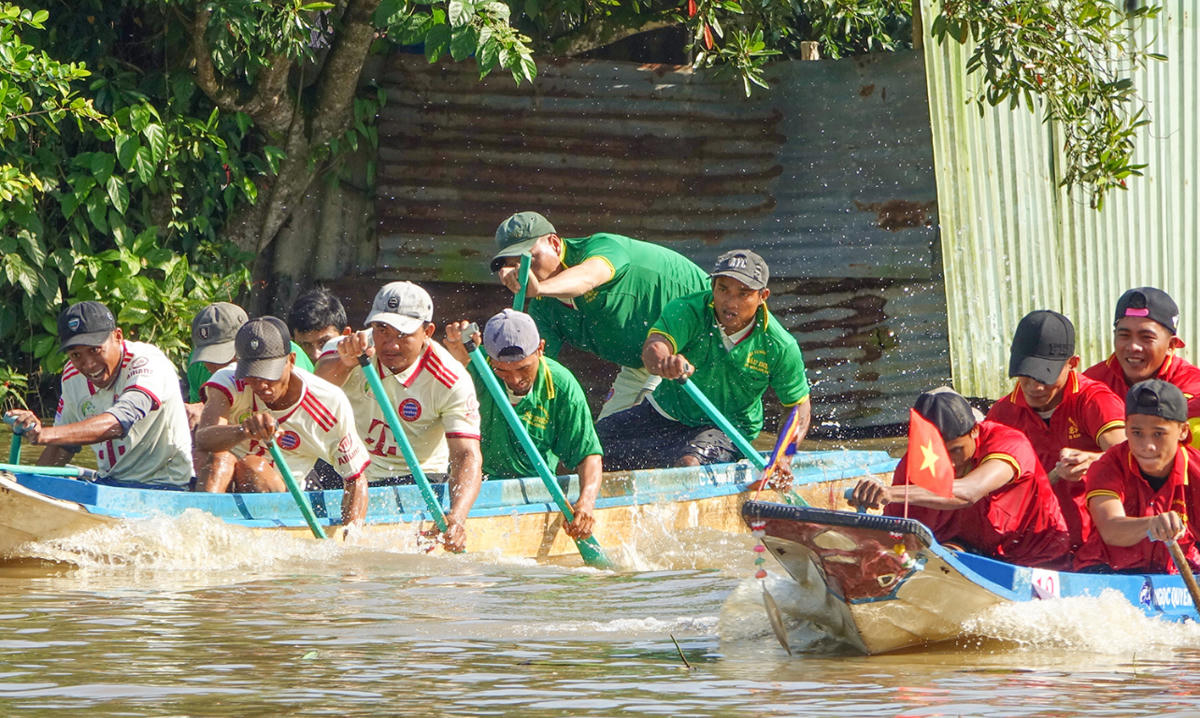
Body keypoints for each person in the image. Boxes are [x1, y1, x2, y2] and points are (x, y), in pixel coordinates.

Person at [596, 250, 810, 471]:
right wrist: (665, 362)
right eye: (723, 289)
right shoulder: (687, 309)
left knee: (689, 465)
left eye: (743, 293)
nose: (730, 302)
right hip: (664, 413)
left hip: (727, 429)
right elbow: (654, 347)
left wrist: (784, 457)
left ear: (763, 296)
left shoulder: (780, 345)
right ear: (713, 287)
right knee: (586, 450)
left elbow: (798, 408)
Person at [490, 211, 711, 420]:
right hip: (641, 363)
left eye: (526, 257)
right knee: (606, 441)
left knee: (644, 431)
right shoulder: (543, 309)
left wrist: (539, 288)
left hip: (697, 343)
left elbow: (587, 278)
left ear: (555, 244)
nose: (520, 268)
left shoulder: (603, 247)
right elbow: (539, 369)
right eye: (511, 264)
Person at [316, 281, 482, 552]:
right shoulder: (348, 349)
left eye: (403, 334)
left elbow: (467, 455)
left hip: (415, 478)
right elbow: (315, 391)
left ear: (427, 331)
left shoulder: (451, 378)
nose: (390, 344)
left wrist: (457, 517)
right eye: (381, 330)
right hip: (346, 468)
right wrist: (344, 364)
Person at [850, 389, 1070, 568]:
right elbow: (895, 537)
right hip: (966, 552)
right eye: (938, 455)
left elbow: (970, 492)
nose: (950, 463)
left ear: (975, 430)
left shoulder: (1009, 443)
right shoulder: (912, 465)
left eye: (955, 450)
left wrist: (889, 492)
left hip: (1038, 558)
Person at [194, 317, 370, 526]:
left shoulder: (329, 401)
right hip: (224, 479)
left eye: (269, 375)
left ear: (291, 360)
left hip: (287, 497)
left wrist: (351, 536)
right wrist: (243, 431)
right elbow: (203, 439)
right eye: (252, 375)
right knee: (219, 459)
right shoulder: (228, 381)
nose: (261, 386)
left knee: (252, 466)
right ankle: (201, 530)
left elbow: (355, 478)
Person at [445, 309, 603, 540]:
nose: (515, 379)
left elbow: (588, 455)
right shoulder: (474, 372)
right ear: (488, 358)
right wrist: (458, 359)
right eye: (502, 370)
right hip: (475, 490)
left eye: (523, 368)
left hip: (536, 493)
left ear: (540, 348)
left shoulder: (561, 385)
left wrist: (586, 503)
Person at [4, 301, 193, 488]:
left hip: (165, 484)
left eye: (95, 350)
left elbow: (119, 422)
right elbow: (62, 446)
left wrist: (44, 434)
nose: (88, 365)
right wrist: (27, 489)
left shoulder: (147, 362)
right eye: (76, 355)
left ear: (118, 336)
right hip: (109, 484)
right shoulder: (72, 376)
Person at [985, 310, 1126, 549]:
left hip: (1097, 547)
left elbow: (1133, 459)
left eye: (1045, 375)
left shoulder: (1094, 400)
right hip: (1031, 545)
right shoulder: (1002, 414)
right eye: (1027, 374)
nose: (1034, 386)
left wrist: (1096, 460)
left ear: (1073, 364)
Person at [1075, 380, 1200, 573]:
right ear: (1125, 429)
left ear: (1183, 431)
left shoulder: (1196, 470)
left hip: (1178, 575)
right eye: (1137, 433)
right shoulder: (1107, 465)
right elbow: (1110, 529)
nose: (1146, 445)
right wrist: (1152, 524)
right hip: (1108, 571)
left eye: (1158, 434)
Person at [1084, 287, 1200, 400]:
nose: (1133, 346)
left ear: (1171, 345)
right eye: (1124, 335)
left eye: (1146, 337)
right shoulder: (1092, 382)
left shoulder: (1192, 387)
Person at [288, 288, 351, 366]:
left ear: (346, 335)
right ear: (293, 343)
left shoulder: (363, 373)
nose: (316, 355)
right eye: (305, 345)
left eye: (324, 343)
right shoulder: (287, 374)